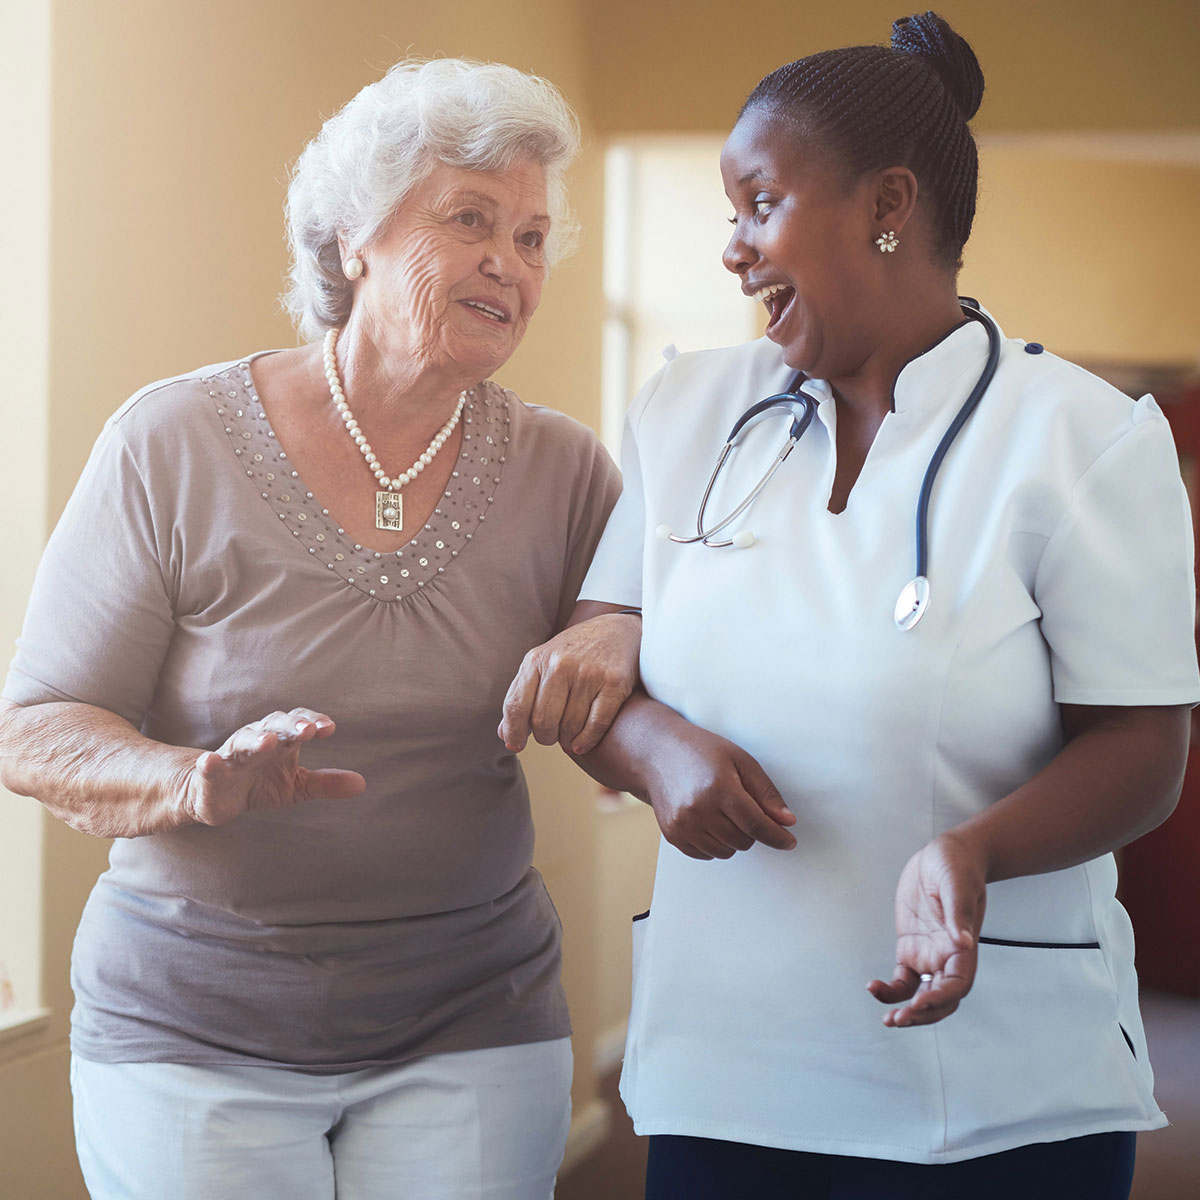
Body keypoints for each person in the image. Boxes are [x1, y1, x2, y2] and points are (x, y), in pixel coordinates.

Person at [501, 13, 1198, 1199]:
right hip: (727, 1068)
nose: (733, 248)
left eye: (759, 204)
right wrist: (657, 748)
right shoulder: (688, 409)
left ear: (889, 204)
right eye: (728, 213)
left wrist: (978, 852)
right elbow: (597, 665)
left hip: (991, 1084)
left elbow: (1143, 748)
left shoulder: (1079, 440)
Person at [0, 58, 636, 1200]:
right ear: (354, 239)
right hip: (191, 1025)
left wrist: (626, 633)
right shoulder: (173, 442)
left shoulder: (566, 470)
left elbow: (643, 670)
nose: (511, 260)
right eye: (470, 218)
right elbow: (37, 728)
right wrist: (198, 781)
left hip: (474, 1016)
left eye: (534, 237)